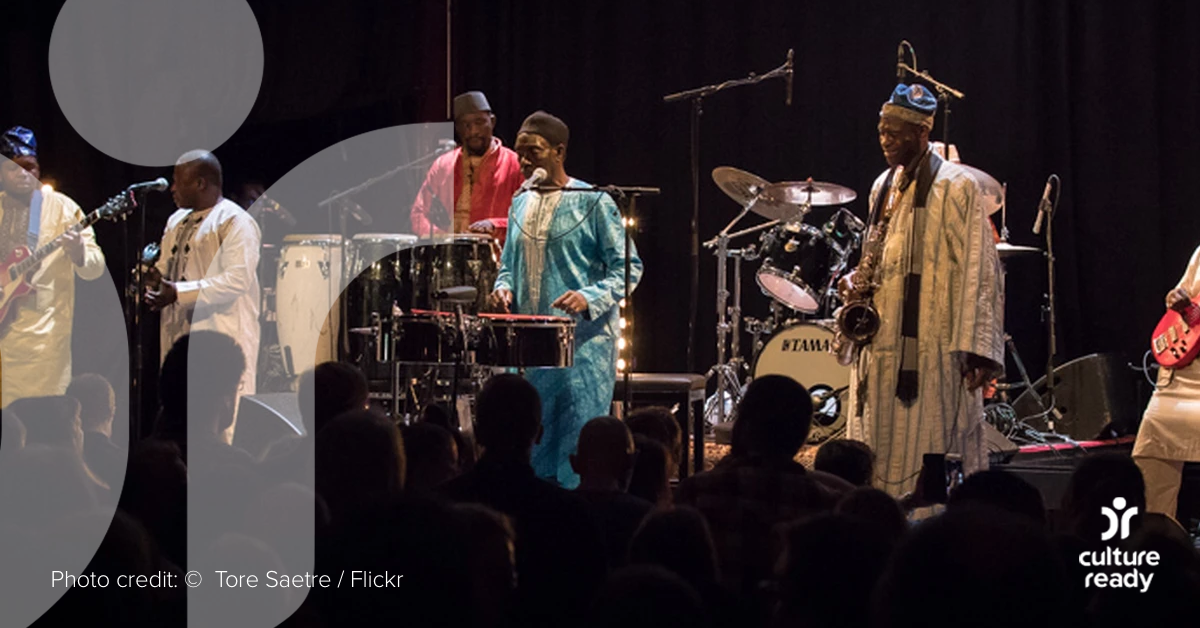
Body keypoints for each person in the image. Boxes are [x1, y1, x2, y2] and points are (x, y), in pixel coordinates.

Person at [844, 84, 1004, 498]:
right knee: (879, 441)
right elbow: (877, 249)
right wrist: (856, 283)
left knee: (928, 440)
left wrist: (979, 348)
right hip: (881, 340)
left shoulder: (956, 186)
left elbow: (979, 267)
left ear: (921, 133)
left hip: (933, 347)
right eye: (881, 130)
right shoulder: (883, 185)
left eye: (894, 132)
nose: (885, 140)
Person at [489, 110, 643, 488]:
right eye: (520, 153)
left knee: (576, 451)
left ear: (559, 152)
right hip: (528, 348)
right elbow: (508, 265)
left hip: (582, 349)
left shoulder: (593, 201)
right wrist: (503, 288)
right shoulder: (520, 201)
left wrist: (588, 297)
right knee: (531, 444)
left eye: (534, 153)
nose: (524, 162)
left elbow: (629, 267)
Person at [146, 150, 261, 442]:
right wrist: (150, 278)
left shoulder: (235, 221)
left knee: (219, 424)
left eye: (177, 181)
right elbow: (165, 270)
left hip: (220, 335)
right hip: (179, 337)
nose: (172, 188)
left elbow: (236, 280)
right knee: (178, 422)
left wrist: (178, 293)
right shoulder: (176, 221)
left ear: (200, 183)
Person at [0, 126, 106, 404]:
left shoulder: (63, 208)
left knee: (45, 423)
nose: (23, 175)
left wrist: (79, 252)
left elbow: (95, 268)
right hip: (3, 344)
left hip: (46, 345)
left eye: (30, 167)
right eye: (14, 168)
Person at [1132, 244, 1200, 519]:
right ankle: (1156, 538)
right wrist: (1176, 299)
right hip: (1181, 377)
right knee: (1150, 453)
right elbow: (1181, 296)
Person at [410, 91, 524, 241]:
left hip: (497, 259)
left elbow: (528, 219)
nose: (473, 131)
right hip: (448, 257)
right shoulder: (443, 165)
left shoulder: (514, 164)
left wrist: (494, 225)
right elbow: (418, 215)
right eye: (466, 125)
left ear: (492, 121)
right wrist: (444, 239)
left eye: (479, 123)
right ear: (457, 128)